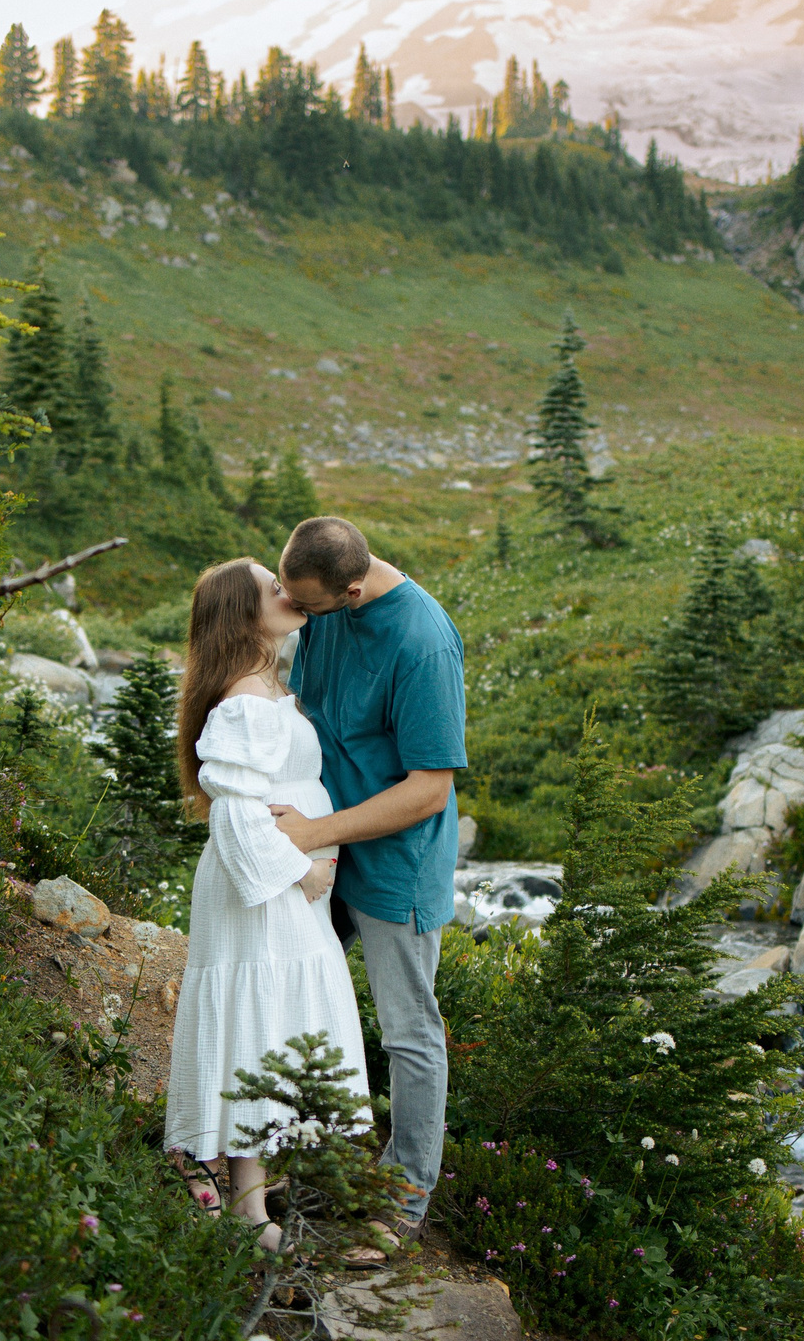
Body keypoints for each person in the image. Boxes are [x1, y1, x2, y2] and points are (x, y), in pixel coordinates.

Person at [162, 557, 371, 1253]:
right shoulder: (246, 696)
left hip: (286, 882)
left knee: (267, 1022)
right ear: (242, 614)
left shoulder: (267, 683)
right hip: (267, 886)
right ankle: (245, 1207)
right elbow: (232, 809)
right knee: (257, 1021)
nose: (286, 594)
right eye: (269, 588)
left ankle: (250, 1205)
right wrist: (298, 872)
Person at [268, 516, 465, 1236]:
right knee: (290, 994)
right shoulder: (322, 603)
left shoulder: (423, 641)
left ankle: (403, 1202)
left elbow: (429, 789)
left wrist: (316, 832)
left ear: (351, 589)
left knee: (409, 1033)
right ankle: (288, 1157)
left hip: (391, 865)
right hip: (322, 852)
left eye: (309, 609)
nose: (299, 619)